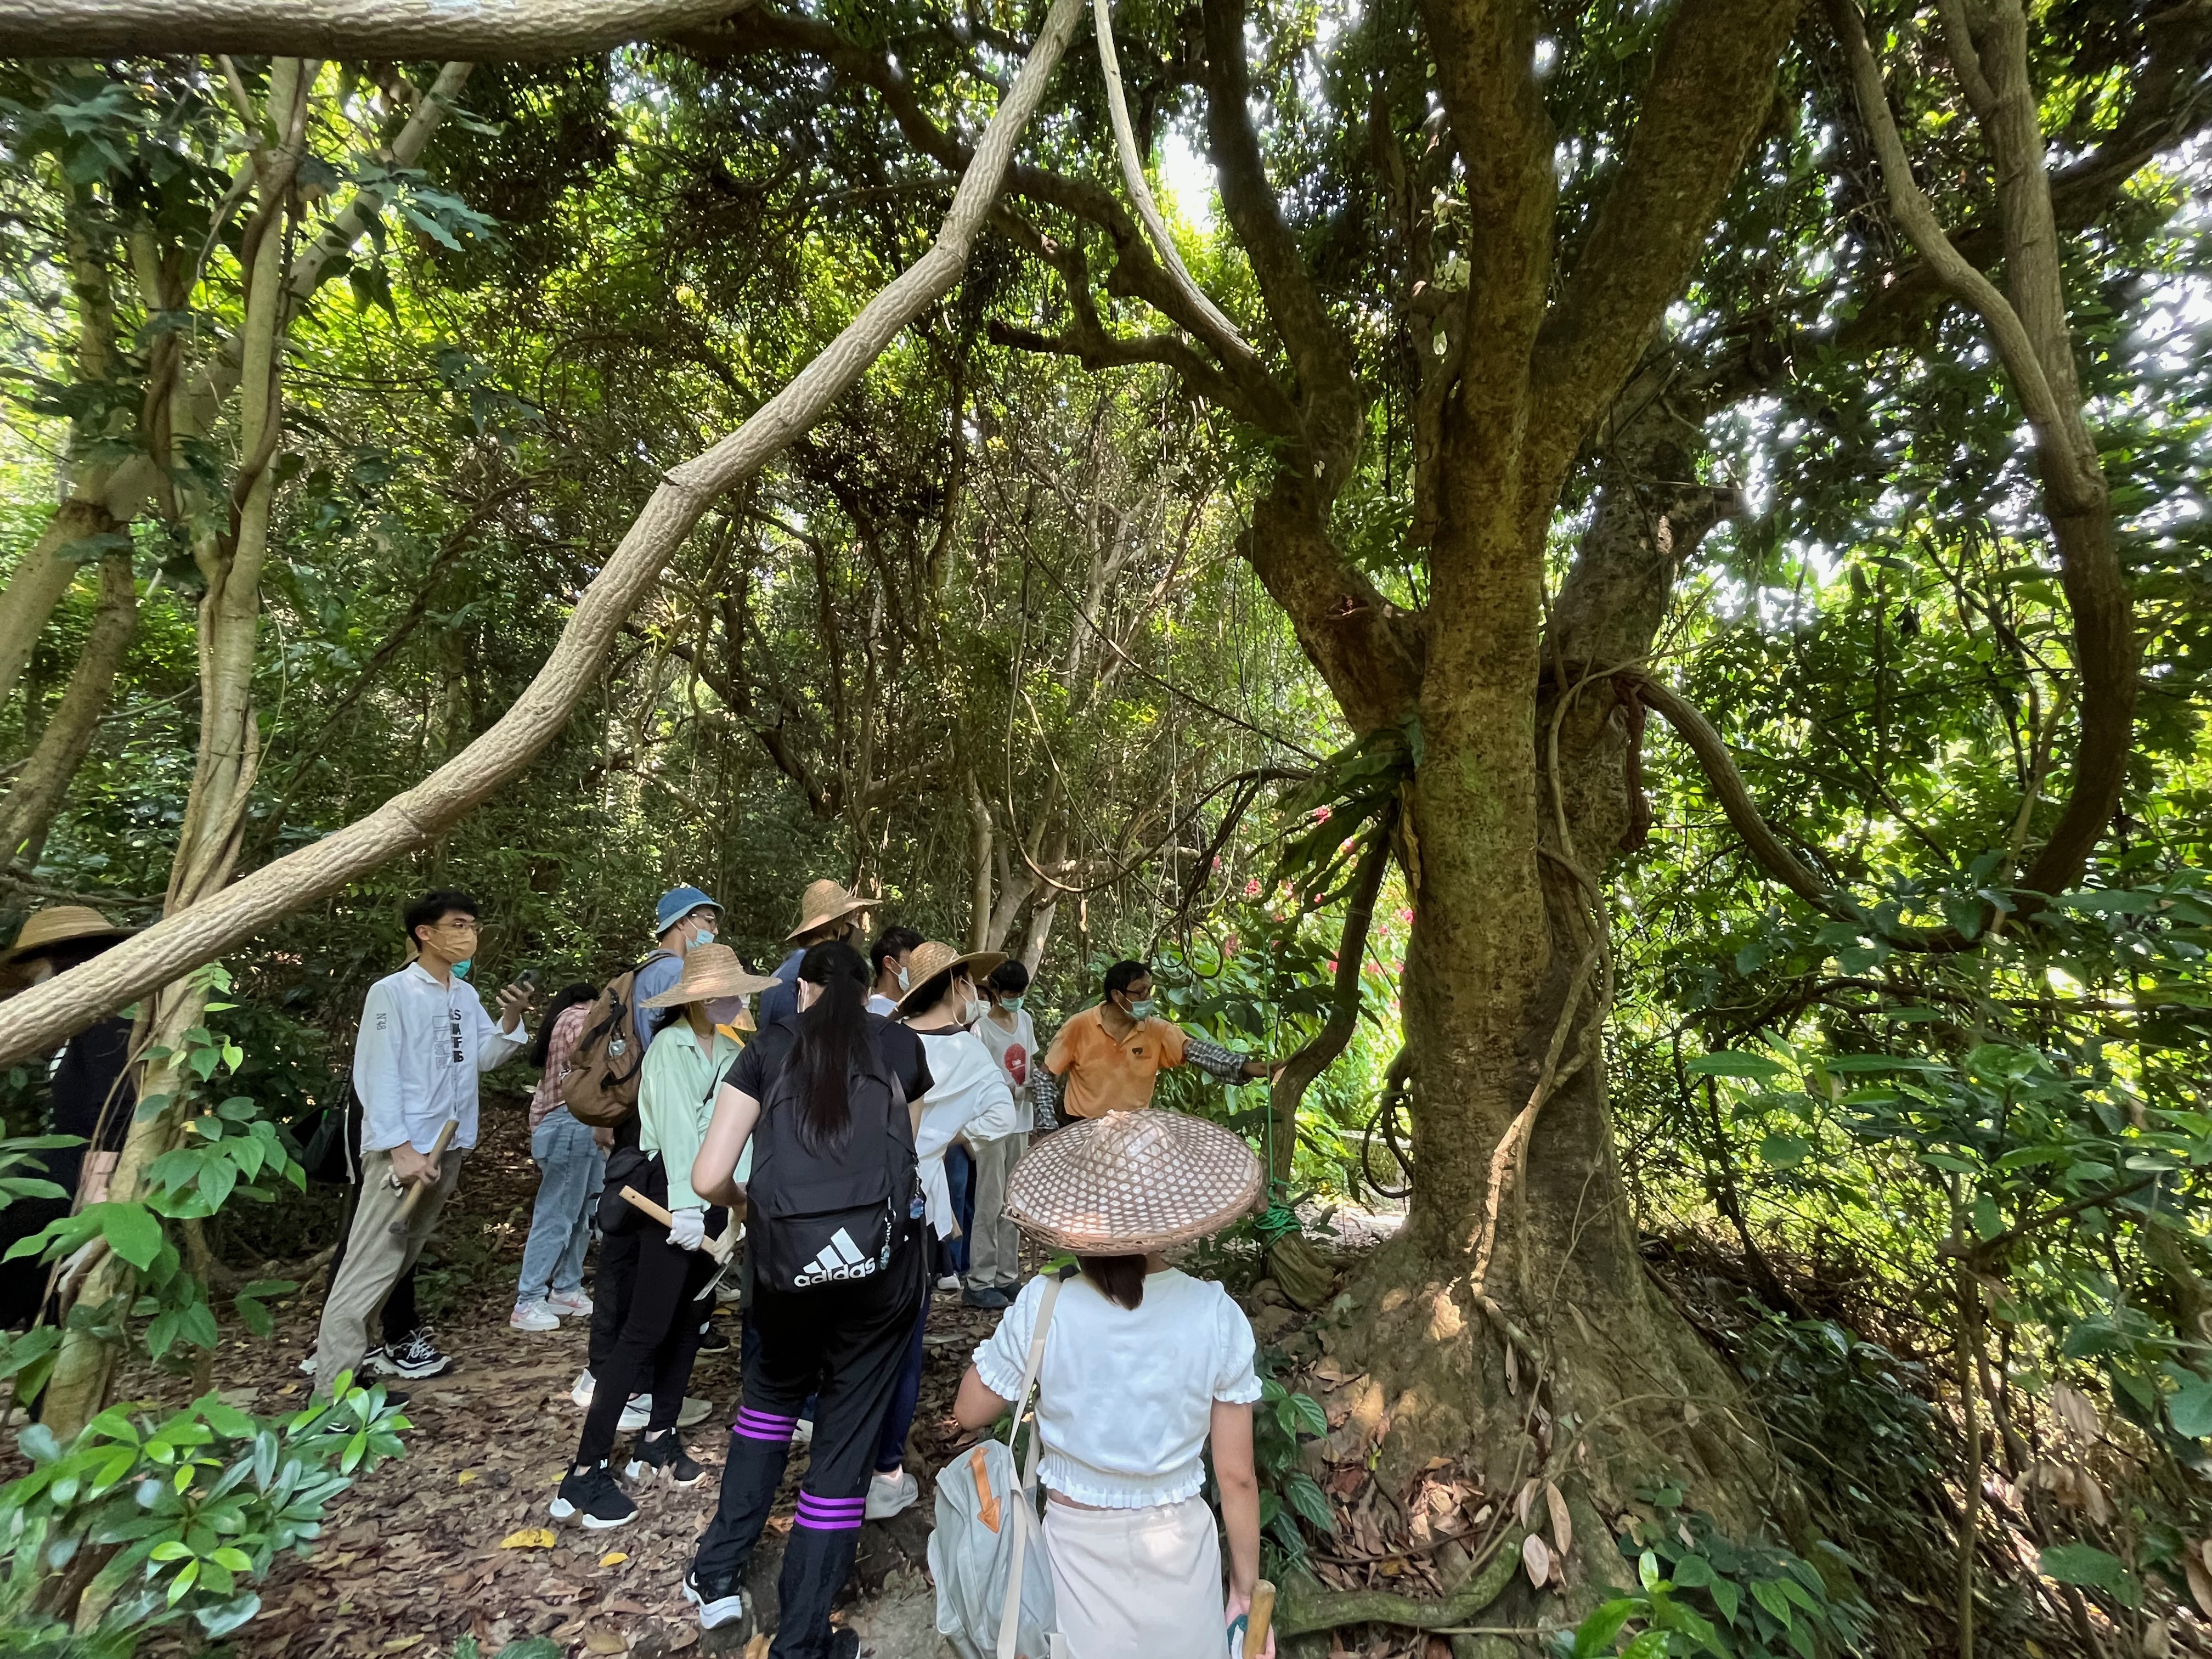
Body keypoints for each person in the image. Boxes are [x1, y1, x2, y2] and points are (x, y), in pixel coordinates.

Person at [684, 939, 933, 1651]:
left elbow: (708, 1178)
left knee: (767, 1412)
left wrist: (748, 1205)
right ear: (867, 991)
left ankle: (717, 1572)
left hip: (786, 1269)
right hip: (879, 1279)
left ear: (804, 992)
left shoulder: (765, 1049)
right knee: (841, 1454)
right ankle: (802, 1640)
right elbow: (904, 1169)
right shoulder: (901, 1048)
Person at [952, 1110, 1274, 1659]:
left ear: (1081, 1211)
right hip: (1183, 1557)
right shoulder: (1215, 1314)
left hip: (1075, 1552)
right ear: (1176, 1211)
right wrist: (1244, 1589)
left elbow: (969, 1411)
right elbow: (1236, 1477)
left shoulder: (1045, 1303)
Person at [553, 944, 776, 1530]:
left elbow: (744, 1132)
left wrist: (738, 1207)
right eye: (727, 993)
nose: (737, 1002)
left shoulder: (734, 1049)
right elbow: (677, 1132)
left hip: (719, 1196)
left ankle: (659, 1436)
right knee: (644, 1330)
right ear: (699, 1000)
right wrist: (683, 1209)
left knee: (688, 1325)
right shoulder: (669, 1051)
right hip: (665, 1195)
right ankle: (584, 1474)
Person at [311, 890, 533, 1401]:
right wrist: (399, 1148)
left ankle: (357, 1379)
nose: (468, 934)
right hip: (406, 1152)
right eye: (457, 924)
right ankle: (329, 1400)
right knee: (369, 1267)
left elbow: (483, 1058)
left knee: (398, 1263)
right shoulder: (391, 993)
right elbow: (377, 1072)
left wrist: (513, 1020)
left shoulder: (464, 994)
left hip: (447, 1145)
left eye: (473, 924)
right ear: (424, 934)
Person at [575, 885, 727, 1425]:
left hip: (640, 1130)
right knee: (643, 1259)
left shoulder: (643, 973)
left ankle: (617, 1379)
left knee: (627, 1254)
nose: (712, 928)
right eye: (707, 919)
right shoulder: (668, 975)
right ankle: (630, 1389)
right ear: (684, 923)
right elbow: (673, 1070)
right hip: (658, 1135)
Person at [0, 906, 137, 1330]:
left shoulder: (106, 1013)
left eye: (34, 972)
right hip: (56, 1175)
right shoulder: (84, 1021)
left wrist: (97, 1198)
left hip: (70, 1184)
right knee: (45, 1309)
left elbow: (116, 1104)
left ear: (54, 962)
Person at [1042, 960, 1269, 1120]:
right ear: (1117, 996)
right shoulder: (1079, 1026)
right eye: (1140, 992)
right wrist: (1046, 1123)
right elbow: (1045, 1075)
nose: (1147, 998)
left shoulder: (1156, 1030)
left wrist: (1244, 1066)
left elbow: (1195, 1051)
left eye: (1150, 991)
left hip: (1134, 1129)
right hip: (1083, 1126)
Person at [512, 981, 606, 1332]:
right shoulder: (578, 1017)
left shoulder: (568, 1018)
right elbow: (591, 1062)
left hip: (581, 1123)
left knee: (585, 1211)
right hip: (570, 1121)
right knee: (557, 1213)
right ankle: (529, 1298)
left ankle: (566, 1288)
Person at [964, 958, 1037, 1310]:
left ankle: (1007, 1276)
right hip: (993, 1126)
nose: (1016, 999)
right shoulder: (981, 1029)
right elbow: (979, 1082)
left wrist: (1033, 1089)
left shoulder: (1025, 1020)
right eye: (1010, 993)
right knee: (989, 1202)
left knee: (1015, 1203)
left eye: (1020, 993)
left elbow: (1031, 1064)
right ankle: (980, 1280)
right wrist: (1010, 1092)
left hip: (1021, 1122)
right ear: (994, 991)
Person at [755, 879, 873, 1030]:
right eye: (853, 919)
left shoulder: (784, 970)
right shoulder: (825, 972)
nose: (858, 929)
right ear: (838, 926)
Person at [865, 925, 922, 1016]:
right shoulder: (873, 1013)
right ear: (889, 963)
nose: (919, 967)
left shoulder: (915, 1008)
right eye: (912, 961)